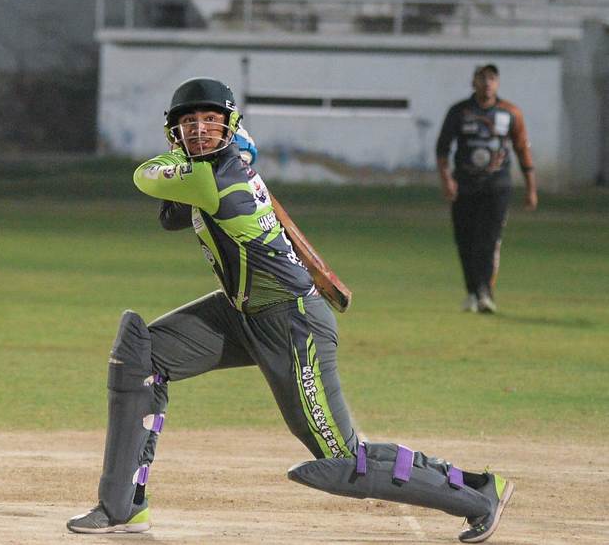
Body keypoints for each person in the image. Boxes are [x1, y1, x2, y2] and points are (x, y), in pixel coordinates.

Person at [67, 77, 514, 543]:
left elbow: (145, 176)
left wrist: (193, 157)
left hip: (291, 322)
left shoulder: (215, 177)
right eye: (189, 122)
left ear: (230, 125)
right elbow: (172, 217)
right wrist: (224, 153)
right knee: (142, 355)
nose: (199, 129)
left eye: (211, 120)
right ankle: (123, 506)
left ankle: (479, 495)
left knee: (345, 460)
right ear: (175, 129)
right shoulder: (222, 168)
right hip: (240, 313)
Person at [436, 64, 538, 314]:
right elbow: (442, 147)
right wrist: (446, 179)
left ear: (498, 83)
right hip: (464, 185)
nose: (487, 83)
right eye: (482, 78)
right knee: (465, 240)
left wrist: (531, 188)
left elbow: (522, 148)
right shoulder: (460, 111)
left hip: (497, 186)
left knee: (488, 240)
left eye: (492, 78)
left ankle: (485, 293)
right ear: (473, 82)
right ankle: (472, 292)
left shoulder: (510, 112)